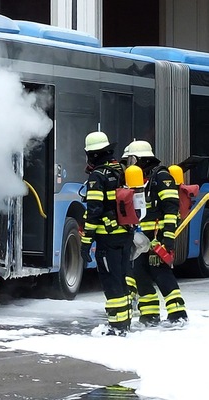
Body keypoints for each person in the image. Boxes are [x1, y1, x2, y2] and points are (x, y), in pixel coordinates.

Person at [122, 140, 188, 327]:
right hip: (141, 239)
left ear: (139, 159)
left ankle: (178, 315)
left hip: (158, 239)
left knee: (161, 275)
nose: (129, 165)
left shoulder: (162, 178)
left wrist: (167, 240)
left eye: (131, 160)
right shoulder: (141, 179)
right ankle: (149, 316)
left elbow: (170, 210)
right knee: (140, 275)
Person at [80, 131, 133, 336]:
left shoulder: (97, 176)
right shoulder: (121, 170)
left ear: (93, 155)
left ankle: (116, 327)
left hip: (108, 239)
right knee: (122, 278)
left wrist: (86, 244)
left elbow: (93, 212)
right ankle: (125, 323)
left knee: (111, 282)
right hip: (125, 235)